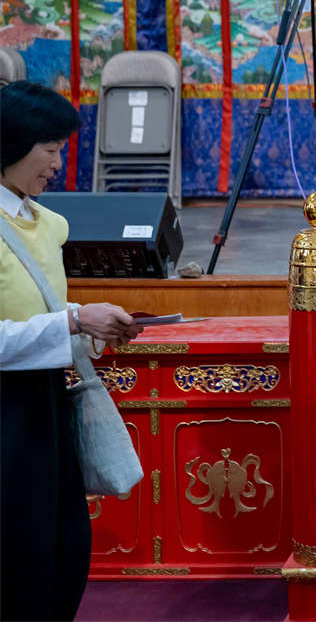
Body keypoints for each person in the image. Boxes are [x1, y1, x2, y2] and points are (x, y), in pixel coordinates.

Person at [1, 80, 142, 621]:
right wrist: (75, 320)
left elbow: (39, 311)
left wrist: (88, 326)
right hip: (7, 417)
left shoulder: (43, 223)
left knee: (64, 550)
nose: (58, 165)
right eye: (50, 149)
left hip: (48, 406)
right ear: (13, 143)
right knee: (20, 561)